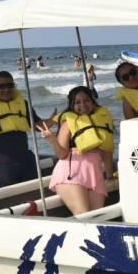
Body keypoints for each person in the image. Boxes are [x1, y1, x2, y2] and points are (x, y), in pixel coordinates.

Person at [37, 86, 114, 215]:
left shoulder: (102, 121)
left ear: (93, 101)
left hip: (94, 174)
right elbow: (62, 154)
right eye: (77, 102)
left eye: (86, 100)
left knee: (97, 217)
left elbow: (107, 152)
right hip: (71, 173)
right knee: (83, 214)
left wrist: (110, 176)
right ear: (71, 105)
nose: (83, 105)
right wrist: (52, 140)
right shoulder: (68, 123)